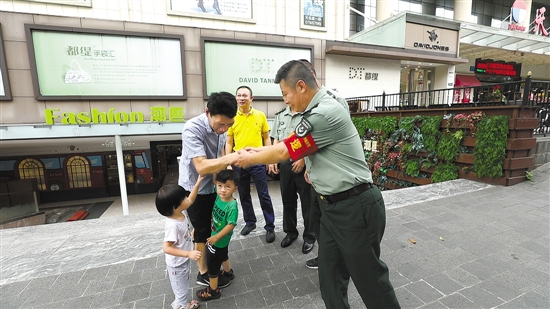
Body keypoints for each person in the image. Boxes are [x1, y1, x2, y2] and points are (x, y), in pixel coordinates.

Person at [234, 60, 401, 309]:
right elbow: (306, 148)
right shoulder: (317, 108)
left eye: (286, 94)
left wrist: (249, 156)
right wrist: (258, 150)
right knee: (330, 278)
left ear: (301, 86)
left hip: (355, 207)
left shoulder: (324, 112)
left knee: (371, 283)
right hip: (330, 208)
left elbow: (286, 149)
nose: (286, 101)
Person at [178, 91, 238, 288]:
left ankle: (214, 263)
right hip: (194, 189)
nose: (224, 129)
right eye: (220, 124)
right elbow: (201, 167)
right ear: (208, 112)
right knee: (201, 231)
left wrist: (222, 182)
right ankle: (203, 272)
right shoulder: (192, 128)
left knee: (214, 226)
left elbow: (219, 154)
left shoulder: (222, 128)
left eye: (228, 125)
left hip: (212, 187)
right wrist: (231, 158)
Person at [299, 58, 349, 269]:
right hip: (316, 176)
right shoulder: (310, 104)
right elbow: (307, 142)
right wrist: (309, 167)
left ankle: (338, 259)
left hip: (334, 178)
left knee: (334, 221)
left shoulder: (332, 101)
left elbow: (329, 139)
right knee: (317, 218)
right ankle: (326, 256)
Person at [226, 85, 276, 243]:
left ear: (251, 98)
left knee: (264, 194)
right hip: (239, 162)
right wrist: (228, 163)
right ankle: (250, 222)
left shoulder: (260, 116)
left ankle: (270, 226)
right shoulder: (232, 117)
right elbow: (229, 142)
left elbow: (267, 138)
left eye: (244, 95)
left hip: (257, 160)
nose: (241, 98)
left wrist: (268, 157)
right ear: (236, 98)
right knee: (243, 194)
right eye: (239, 95)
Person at [269, 106, 315, 254]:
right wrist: (273, 159)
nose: (286, 97)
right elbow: (276, 138)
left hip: (303, 164)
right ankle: (291, 232)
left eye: (288, 92)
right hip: (285, 164)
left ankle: (309, 237)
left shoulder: (309, 113)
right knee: (287, 200)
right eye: (284, 94)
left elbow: (312, 140)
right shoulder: (281, 115)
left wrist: (303, 159)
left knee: (307, 202)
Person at [155, 179, 204, 309]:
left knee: (183, 286)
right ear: (174, 207)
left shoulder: (179, 213)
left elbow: (191, 200)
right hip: (177, 265)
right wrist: (188, 253)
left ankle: (183, 303)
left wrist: (198, 183)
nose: (186, 199)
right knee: (181, 291)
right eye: (183, 198)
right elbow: (166, 247)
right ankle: (181, 305)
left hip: (182, 260)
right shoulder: (172, 225)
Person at [196, 169, 239, 300]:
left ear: (235, 188)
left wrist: (216, 237)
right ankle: (228, 272)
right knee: (223, 255)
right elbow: (215, 180)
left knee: (212, 266)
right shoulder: (218, 195)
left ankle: (213, 290)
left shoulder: (232, 205)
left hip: (218, 240)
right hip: (219, 240)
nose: (223, 190)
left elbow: (231, 225)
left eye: (227, 186)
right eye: (220, 186)